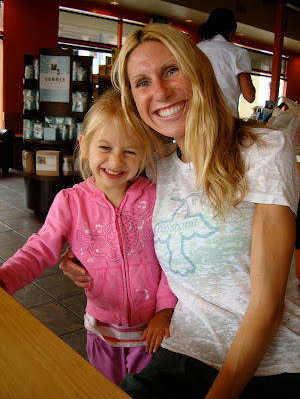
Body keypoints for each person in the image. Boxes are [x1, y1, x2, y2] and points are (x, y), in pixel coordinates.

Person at [59, 24, 300, 398]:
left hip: (271, 359)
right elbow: (102, 205)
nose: (160, 91)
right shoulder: (156, 166)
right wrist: (81, 245)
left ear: (198, 72)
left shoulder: (264, 148)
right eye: (142, 82)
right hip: (186, 347)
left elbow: (267, 305)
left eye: (171, 71)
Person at [0, 88, 177, 386]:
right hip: (102, 328)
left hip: (152, 330)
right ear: (84, 146)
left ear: (144, 153)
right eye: (105, 147)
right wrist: (5, 278)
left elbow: (171, 259)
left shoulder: (157, 198)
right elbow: (41, 248)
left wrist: (166, 309)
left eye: (130, 151)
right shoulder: (70, 201)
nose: (116, 160)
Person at [197, 8, 256, 117]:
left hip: (197, 118)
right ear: (231, 31)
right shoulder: (238, 53)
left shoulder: (195, 50)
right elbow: (250, 96)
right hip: (226, 119)